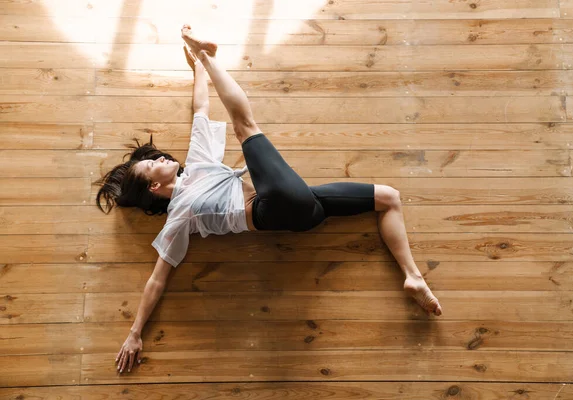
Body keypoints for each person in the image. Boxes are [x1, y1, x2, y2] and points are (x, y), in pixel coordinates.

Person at [96, 25, 442, 375]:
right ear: (154, 189)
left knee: (388, 197)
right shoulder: (179, 218)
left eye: (154, 157)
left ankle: (412, 276)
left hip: (301, 214)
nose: (160, 158)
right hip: (270, 206)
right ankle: (210, 54)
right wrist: (134, 333)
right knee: (245, 126)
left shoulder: (198, 161)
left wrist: (197, 71)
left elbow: (201, 106)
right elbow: (157, 279)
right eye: (152, 165)